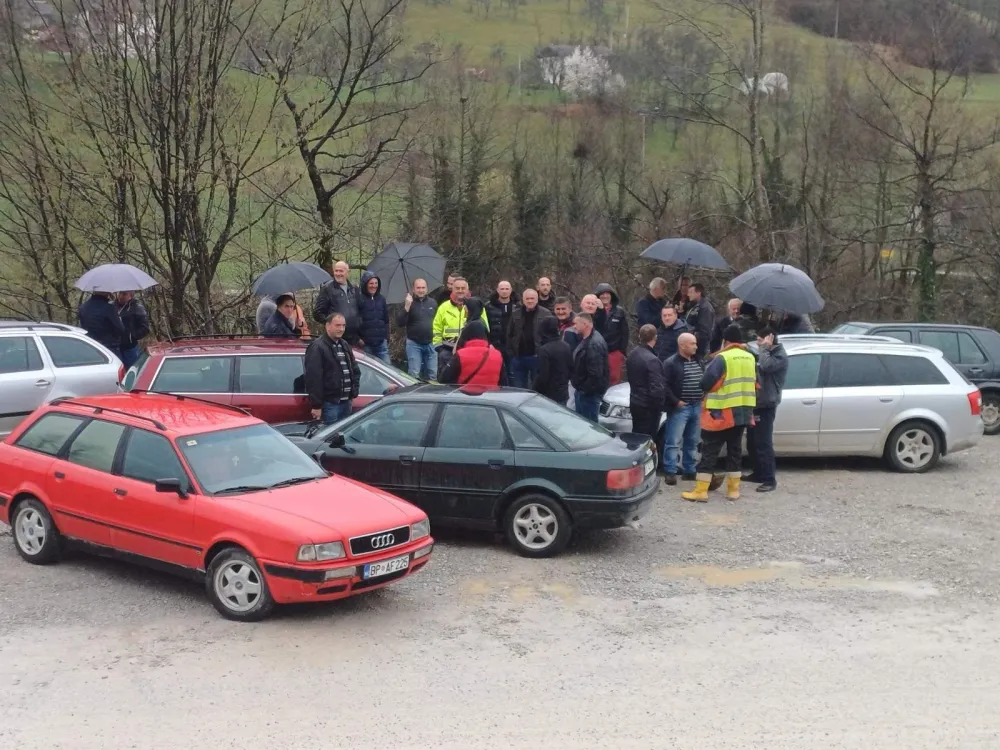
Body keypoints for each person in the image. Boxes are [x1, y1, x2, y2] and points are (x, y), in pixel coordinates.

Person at [682, 324, 757, 502]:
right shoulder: (750, 357)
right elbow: (756, 382)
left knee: (709, 451)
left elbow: (706, 382)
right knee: (735, 451)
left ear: (726, 341)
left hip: (721, 413)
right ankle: (733, 490)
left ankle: (701, 491)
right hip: (743, 412)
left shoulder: (723, 358)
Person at [744, 326, 788, 493]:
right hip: (757, 402)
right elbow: (760, 360)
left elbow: (766, 365)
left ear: (770, 340)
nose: (758, 343)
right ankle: (758, 472)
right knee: (752, 441)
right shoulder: (767, 352)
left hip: (767, 404)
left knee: (764, 442)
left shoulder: (780, 356)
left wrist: (764, 348)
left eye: (760, 340)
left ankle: (770, 479)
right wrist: (748, 348)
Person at [662, 332, 704, 486]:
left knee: (692, 441)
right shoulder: (671, 363)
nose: (695, 346)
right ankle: (670, 471)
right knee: (673, 441)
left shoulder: (698, 360)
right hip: (681, 408)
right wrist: (675, 402)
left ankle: (689, 470)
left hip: (697, 405)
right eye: (692, 343)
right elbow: (664, 385)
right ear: (682, 345)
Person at [304, 313, 361, 425]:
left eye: (343, 326)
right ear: (328, 326)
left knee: (344, 437)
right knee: (330, 440)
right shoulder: (317, 347)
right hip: (330, 404)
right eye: (338, 325)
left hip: (347, 402)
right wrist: (316, 405)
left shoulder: (344, 345)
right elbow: (314, 379)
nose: (341, 329)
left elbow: (355, 370)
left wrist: (354, 392)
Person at [432, 277, 488, 379]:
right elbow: (436, 328)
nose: (460, 291)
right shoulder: (443, 307)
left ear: (468, 290)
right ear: (452, 289)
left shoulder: (476, 306)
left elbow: (485, 329)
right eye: (457, 288)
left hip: (469, 353)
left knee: (465, 380)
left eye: (463, 288)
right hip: (447, 351)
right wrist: (439, 347)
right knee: (446, 383)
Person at [625, 324, 665, 440]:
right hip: (647, 407)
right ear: (655, 337)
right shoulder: (652, 360)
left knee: (636, 434)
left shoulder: (633, 354)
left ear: (639, 336)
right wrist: (659, 407)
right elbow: (657, 389)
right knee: (647, 438)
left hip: (635, 401)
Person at [507, 288, 553, 389]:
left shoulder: (546, 314)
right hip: (519, 356)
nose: (530, 301)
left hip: (537, 356)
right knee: (519, 389)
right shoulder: (516, 313)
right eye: (527, 298)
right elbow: (510, 334)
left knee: (537, 388)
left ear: (537, 299)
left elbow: (551, 335)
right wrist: (511, 352)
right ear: (523, 300)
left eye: (532, 298)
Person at [570, 313, 610, 422]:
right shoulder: (588, 340)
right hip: (584, 392)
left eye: (576, 324)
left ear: (585, 324)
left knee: (589, 426)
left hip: (588, 395)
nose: (574, 326)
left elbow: (595, 374)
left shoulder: (593, 344)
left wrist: (584, 390)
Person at [438, 321, 504, 386]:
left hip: (464, 395)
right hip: (490, 395)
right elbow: (504, 383)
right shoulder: (497, 355)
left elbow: (443, 379)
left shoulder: (460, 355)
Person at [397, 278, 438, 380]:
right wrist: (407, 306)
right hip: (414, 344)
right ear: (413, 289)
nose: (421, 290)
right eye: (418, 288)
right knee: (414, 374)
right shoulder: (408, 303)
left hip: (431, 342)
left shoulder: (433, 303)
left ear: (427, 289)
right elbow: (400, 323)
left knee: (433, 374)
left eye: (423, 287)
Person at [314, 261, 361, 345]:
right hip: (336, 339)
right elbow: (318, 313)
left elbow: (360, 310)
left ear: (348, 272)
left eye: (341, 271)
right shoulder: (327, 289)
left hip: (354, 338)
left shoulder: (354, 289)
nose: (338, 274)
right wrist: (332, 325)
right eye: (336, 271)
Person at [593, 283, 629, 386]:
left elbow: (625, 333)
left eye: (607, 294)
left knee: (614, 380)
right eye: (602, 294)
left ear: (611, 295)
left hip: (614, 352)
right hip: (598, 352)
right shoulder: (593, 310)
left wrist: (621, 352)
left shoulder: (619, 311)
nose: (605, 296)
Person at [533, 316, 572, 404]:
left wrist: (535, 390)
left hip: (548, 395)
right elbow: (570, 369)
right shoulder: (566, 346)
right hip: (563, 392)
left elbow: (543, 375)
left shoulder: (544, 350)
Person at [78, 292, 125, 358]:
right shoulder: (109, 308)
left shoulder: (83, 307)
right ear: (106, 293)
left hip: (89, 346)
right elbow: (121, 329)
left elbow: (81, 327)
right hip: (108, 349)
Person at [358, 270, 390, 363]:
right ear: (365, 284)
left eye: (376, 283)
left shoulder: (381, 299)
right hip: (366, 344)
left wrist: (386, 337)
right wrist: (358, 339)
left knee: (388, 369)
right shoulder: (359, 299)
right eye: (371, 283)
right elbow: (355, 320)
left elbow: (386, 320)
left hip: (381, 343)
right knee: (369, 374)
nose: (374, 286)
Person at [486, 280, 520, 366]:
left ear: (511, 290)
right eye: (502, 289)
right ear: (497, 290)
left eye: (507, 289)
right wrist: (489, 343)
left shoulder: (518, 307)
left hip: (513, 347)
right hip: (495, 345)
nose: (504, 291)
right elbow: (485, 326)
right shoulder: (488, 307)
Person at [116, 291, 149, 368]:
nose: (121, 296)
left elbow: (145, 328)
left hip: (130, 347)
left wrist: (132, 336)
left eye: (124, 294)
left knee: (132, 370)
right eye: (119, 293)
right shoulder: (112, 306)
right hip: (115, 347)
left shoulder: (137, 308)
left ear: (131, 295)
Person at [685, 282, 715, 358]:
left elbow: (704, 330)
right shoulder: (694, 305)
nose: (688, 295)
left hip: (699, 346)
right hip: (690, 342)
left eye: (691, 292)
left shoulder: (705, 308)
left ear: (698, 293)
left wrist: (692, 335)